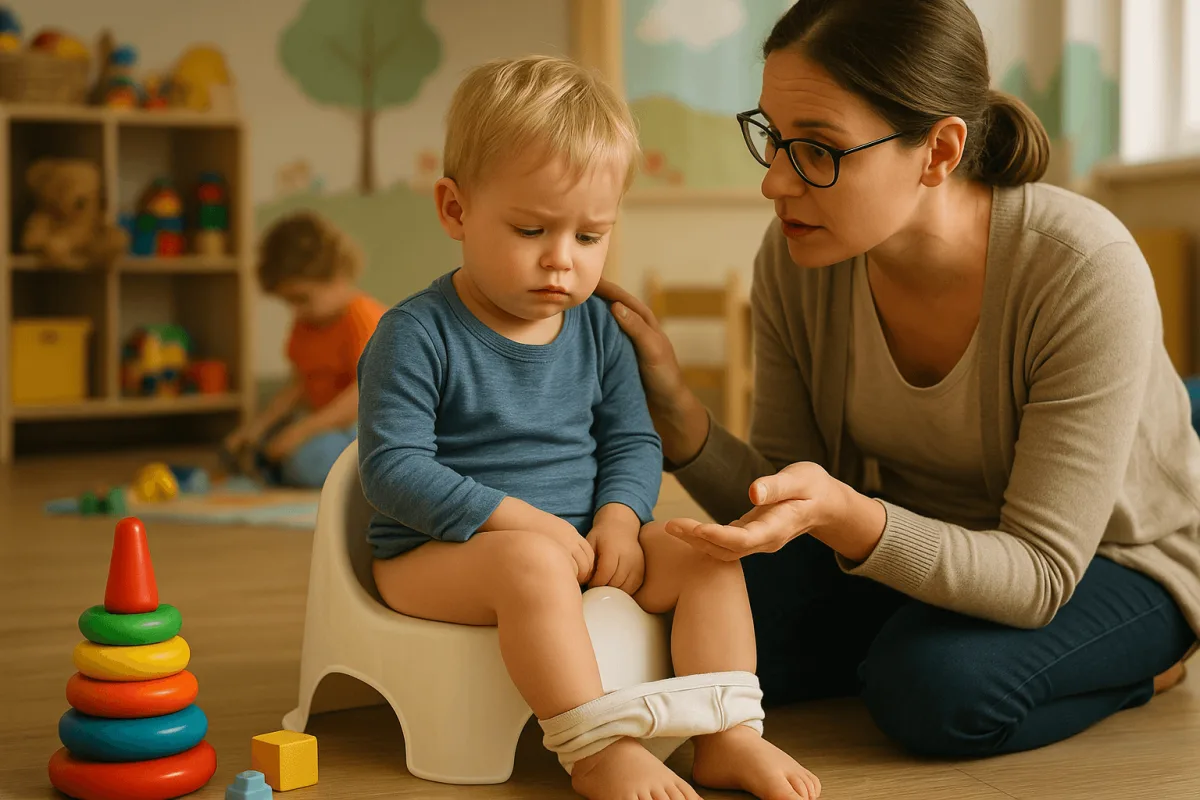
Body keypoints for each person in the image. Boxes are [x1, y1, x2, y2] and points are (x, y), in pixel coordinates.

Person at [597, 0, 1200, 760]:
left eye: (817, 149)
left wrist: (852, 519)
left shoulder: (1079, 268)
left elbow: (1041, 572)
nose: (775, 184)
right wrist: (681, 421)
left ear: (939, 151)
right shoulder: (796, 258)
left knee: (932, 688)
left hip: (1107, 561)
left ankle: (1147, 665)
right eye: (773, 140)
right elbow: (792, 502)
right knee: (684, 618)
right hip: (916, 548)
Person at [357, 56, 821, 800]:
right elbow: (392, 471)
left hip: (579, 541)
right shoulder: (414, 334)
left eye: (589, 236)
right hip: (438, 557)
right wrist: (524, 525)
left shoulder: (599, 327)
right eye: (532, 228)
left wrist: (617, 516)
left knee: (705, 551)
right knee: (529, 567)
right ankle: (597, 749)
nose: (561, 261)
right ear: (455, 210)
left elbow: (633, 442)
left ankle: (727, 734)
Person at [224, 211, 385, 488]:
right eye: (289, 302)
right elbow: (299, 384)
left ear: (337, 276)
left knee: (309, 460)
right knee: (265, 447)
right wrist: (256, 429)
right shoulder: (307, 323)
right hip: (325, 423)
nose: (296, 310)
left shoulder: (362, 317)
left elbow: (364, 394)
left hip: (370, 426)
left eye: (302, 298)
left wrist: (301, 432)